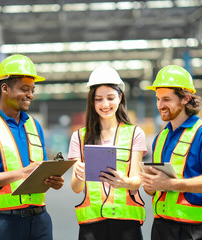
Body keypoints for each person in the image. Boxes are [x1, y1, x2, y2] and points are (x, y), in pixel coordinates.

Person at [0, 54, 64, 240]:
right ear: (5, 88)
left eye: (32, 89)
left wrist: (53, 181)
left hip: (40, 221)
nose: (30, 95)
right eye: (24, 89)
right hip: (3, 224)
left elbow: (37, 172)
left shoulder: (34, 126)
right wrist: (23, 173)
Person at [140, 65, 202, 240]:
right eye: (157, 99)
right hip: (161, 227)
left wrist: (171, 184)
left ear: (186, 99)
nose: (160, 105)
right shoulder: (161, 137)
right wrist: (150, 186)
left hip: (193, 231)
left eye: (166, 99)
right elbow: (158, 188)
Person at [68, 66, 147, 240]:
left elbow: (136, 181)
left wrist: (124, 182)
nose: (105, 104)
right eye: (98, 99)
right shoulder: (79, 137)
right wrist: (80, 176)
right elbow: (75, 188)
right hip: (91, 225)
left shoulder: (135, 133)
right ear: (92, 102)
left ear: (120, 98)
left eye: (110, 98)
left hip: (127, 224)